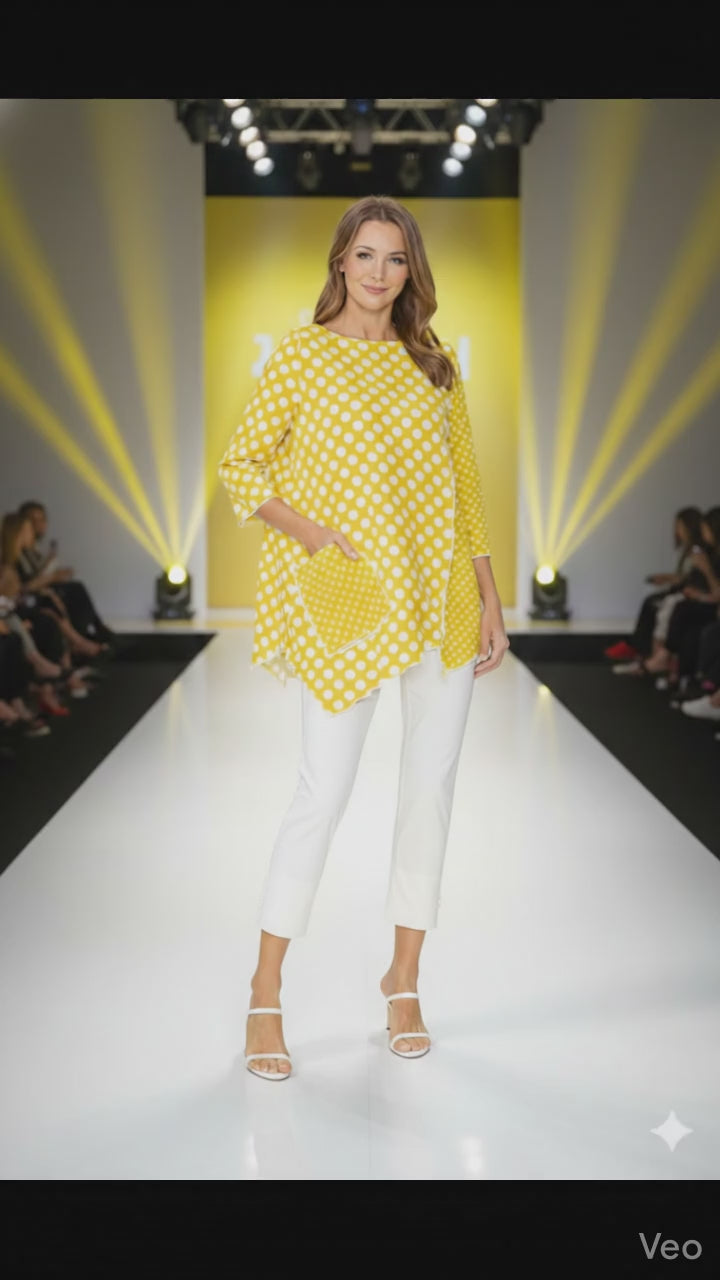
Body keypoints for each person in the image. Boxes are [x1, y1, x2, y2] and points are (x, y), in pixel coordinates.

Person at [218, 195, 509, 1081]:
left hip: (440, 599)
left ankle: (404, 980)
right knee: (324, 791)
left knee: (430, 791)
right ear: (340, 260)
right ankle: (264, 989)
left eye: (397, 258)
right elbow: (241, 466)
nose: (381, 273)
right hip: (347, 598)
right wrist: (310, 534)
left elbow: (466, 487)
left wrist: (488, 595)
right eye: (367, 255)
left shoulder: (435, 364)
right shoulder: (302, 355)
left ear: (411, 269)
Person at [16, 501, 116, 647]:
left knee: (74, 589)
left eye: (42, 519)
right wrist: (52, 577)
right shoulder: (17, 553)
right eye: (33, 520)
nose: (38, 524)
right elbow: (26, 584)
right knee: (72, 591)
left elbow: (34, 576)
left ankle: (87, 634)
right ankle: (83, 638)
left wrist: (52, 571)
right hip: (29, 599)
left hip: (37, 594)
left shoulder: (32, 550)